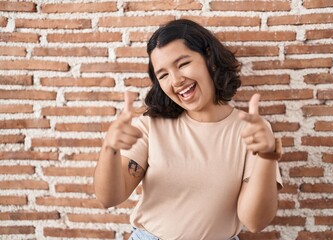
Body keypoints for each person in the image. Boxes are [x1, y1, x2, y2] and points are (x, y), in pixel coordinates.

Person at [94, 19, 283, 240]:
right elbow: (109, 198)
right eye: (163, 75)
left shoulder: (251, 131)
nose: (176, 80)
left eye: (183, 64)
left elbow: (254, 221)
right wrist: (109, 148)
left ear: (210, 59)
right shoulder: (149, 125)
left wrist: (267, 156)